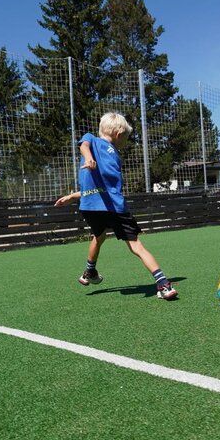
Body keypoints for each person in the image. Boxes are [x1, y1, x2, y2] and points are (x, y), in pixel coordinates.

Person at [55, 112, 179, 300]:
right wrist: (88, 158)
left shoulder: (110, 154)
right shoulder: (95, 143)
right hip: (113, 207)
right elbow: (84, 145)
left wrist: (73, 196)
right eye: (126, 138)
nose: (125, 142)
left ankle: (90, 272)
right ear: (119, 134)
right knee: (136, 245)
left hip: (90, 206)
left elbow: (99, 188)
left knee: (99, 236)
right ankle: (163, 284)